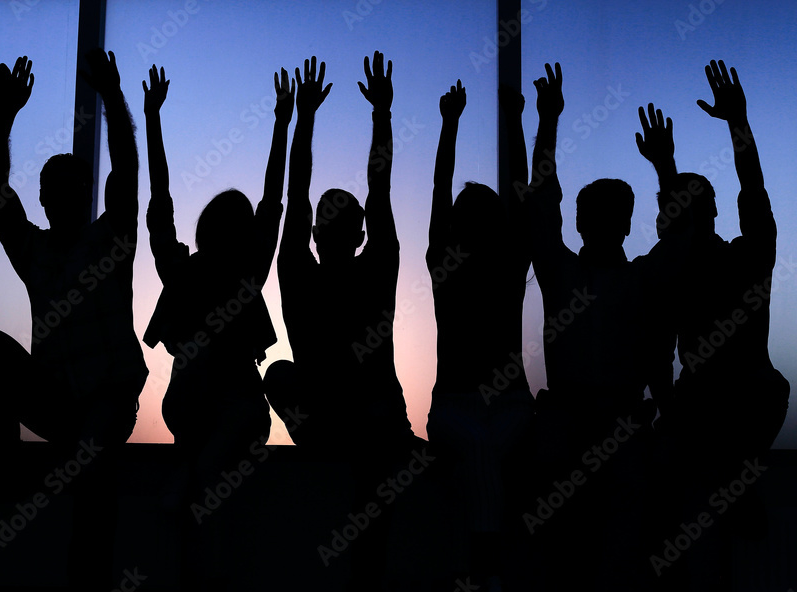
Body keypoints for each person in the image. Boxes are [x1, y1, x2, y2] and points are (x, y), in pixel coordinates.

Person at [0, 52, 148, 591]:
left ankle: (84, 581)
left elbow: (126, 172)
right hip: (58, 401)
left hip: (106, 402)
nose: (57, 197)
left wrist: (113, 98)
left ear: (81, 196)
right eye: (50, 188)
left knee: (94, 463)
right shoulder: (35, 250)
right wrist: (2, 115)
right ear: (43, 198)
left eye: (68, 188)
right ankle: (7, 471)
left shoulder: (109, 242)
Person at [263, 51, 421, 590]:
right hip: (361, 416)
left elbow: (301, 197)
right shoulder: (366, 268)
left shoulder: (309, 270)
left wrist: (305, 117)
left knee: (282, 376)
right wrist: (379, 114)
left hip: (354, 416)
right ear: (355, 235)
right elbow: (368, 191)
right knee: (282, 375)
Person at [637, 61, 790, 591]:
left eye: (668, 212)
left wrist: (734, 126)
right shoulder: (734, 257)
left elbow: (749, 196)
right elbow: (745, 199)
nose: (662, 220)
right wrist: (732, 126)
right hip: (726, 403)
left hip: (729, 400)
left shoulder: (727, 259)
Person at [141, 62, 293, 589]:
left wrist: (152, 119)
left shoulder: (184, 272)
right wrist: (283, 122)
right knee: (216, 482)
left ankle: (188, 483)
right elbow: (274, 200)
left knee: (203, 480)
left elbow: (159, 204)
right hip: (227, 408)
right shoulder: (241, 271)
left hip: (200, 406)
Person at [524, 62, 665, 591]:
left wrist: (666, 166)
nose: (606, 223)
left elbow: (543, 205)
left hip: (613, 425)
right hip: (573, 423)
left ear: (627, 222)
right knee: (575, 550)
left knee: (612, 552)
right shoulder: (569, 273)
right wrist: (548, 122)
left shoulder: (632, 278)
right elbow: (542, 204)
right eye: (598, 213)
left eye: (613, 214)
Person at [423, 79, 534, 590]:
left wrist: (514, 119)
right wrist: (450, 125)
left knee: (481, 450)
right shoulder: (445, 263)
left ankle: (473, 571)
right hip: (454, 405)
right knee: (480, 448)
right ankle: (486, 572)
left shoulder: (509, 265)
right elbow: (440, 190)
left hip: (509, 403)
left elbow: (521, 191)